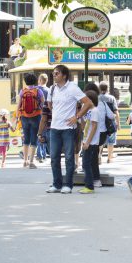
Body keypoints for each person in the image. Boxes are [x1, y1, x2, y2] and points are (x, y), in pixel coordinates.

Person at [45, 64, 92, 194]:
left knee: (69, 157)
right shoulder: (52, 89)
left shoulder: (72, 88)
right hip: (54, 127)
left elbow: (88, 103)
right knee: (54, 157)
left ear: (64, 75)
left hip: (68, 128)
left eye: (57, 73)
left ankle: (68, 185)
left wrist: (77, 117)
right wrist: (57, 113)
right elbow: (49, 104)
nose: (54, 75)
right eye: (53, 73)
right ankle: (56, 184)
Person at [15, 72, 43, 169]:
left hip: (24, 117)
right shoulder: (38, 91)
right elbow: (43, 103)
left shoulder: (22, 91)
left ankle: (25, 161)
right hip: (36, 116)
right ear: (35, 81)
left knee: (26, 139)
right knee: (34, 139)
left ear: (25, 81)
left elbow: (19, 105)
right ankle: (31, 161)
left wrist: (17, 116)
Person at [78, 90, 104, 193]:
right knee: (85, 164)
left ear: (90, 100)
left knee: (86, 164)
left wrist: (88, 142)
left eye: (85, 100)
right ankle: (88, 185)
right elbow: (84, 126)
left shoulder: (94, 111)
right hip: (87, 141)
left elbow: (94, 127)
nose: (83, 102)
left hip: (91, 142)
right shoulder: (89, 111)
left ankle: (89, 186)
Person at [98, 82, 119, 164]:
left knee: (100, 141)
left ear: (99, 88)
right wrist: (118, 123)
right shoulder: (112, 98)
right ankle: (109, 158)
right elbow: (116, 111)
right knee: (111, 141)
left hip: (100, 122)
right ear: (107, 89)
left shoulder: (97, 98)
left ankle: (99, 156)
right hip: (110, 122)